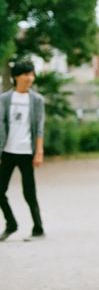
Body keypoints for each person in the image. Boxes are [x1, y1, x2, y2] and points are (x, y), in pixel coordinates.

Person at [0, 60, 46, 242]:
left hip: (27, 152)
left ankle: (38, 228)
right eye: (26, 74)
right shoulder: (4, 99)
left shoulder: (36, 100)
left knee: (29, 192)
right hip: (7, 151)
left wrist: (39, 152)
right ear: (16, 77)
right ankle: (11, 223)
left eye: (32, 74)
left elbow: (40, 127)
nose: (30, 78)